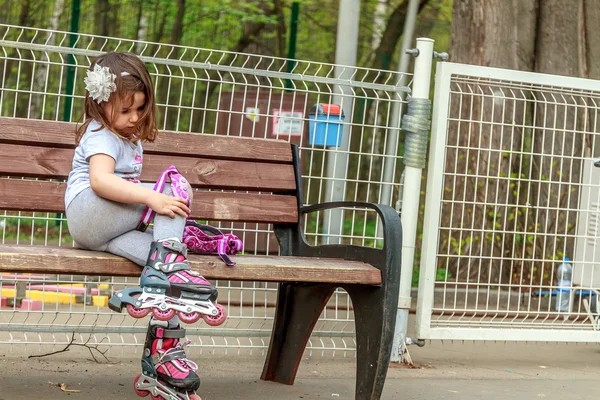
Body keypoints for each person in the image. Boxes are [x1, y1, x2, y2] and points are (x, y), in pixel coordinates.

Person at [65, 52, 214, 400]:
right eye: (125, 110)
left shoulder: (127, 137)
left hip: (104, 231)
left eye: (139, 109)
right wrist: (153, 198)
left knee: (168, 269)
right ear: (100, 103)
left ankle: (162, 356)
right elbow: (101, 182)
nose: (133, 118)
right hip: (90, 211)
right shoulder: (101, 134)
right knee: (174, 187)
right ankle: (167, 268)